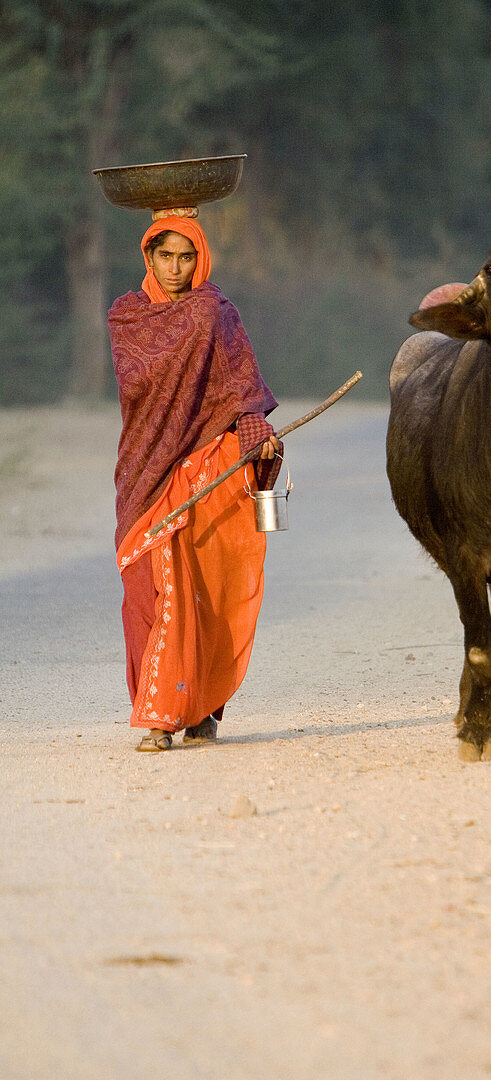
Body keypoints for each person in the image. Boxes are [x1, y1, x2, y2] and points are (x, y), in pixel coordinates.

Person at [109, 213, 282, 752]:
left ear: (201, 258)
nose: (177, 267)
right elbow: (139, 383)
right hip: (145, 467)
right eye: (166, 256)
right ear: (149, 256)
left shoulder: (216, 311)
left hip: (208, 461)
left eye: (188, 257)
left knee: (204, 586)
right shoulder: (127, 315)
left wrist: (255, 427)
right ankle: (158, 706)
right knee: (145, 591)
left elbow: (242, 386)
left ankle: (190, 714)